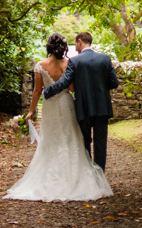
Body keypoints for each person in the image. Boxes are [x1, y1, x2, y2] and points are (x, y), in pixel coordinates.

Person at [4, 33, 113, 202]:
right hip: (67, 103)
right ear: (64, 47)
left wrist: (31, 111)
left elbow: (36, 91)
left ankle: (53, 177)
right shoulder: (70, 63)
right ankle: (91, 178)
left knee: (52, 140)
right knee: (73, 139)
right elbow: (71, 88)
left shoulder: (40, 65)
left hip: (50, 106)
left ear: (49, 46)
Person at [42, 31, 119, 172]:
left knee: (85, 142)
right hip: (102, 107)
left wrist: (48, 91)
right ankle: (100, 175)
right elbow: (114, 83)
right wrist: (100, 87)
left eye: (75, 44)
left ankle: (88, 174)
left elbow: (65, 82)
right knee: (101, 143)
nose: (75, 48)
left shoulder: (75, 61)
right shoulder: (105, 59)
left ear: (80, 41)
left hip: (83, 107)